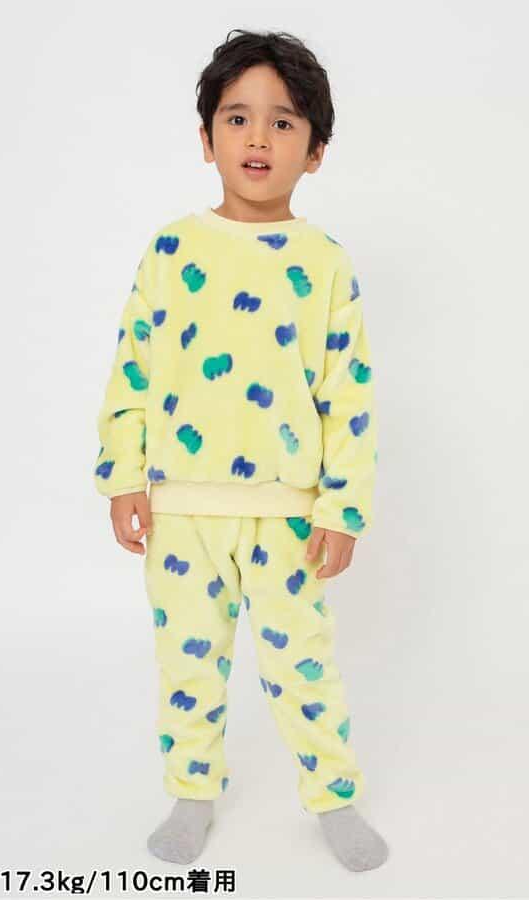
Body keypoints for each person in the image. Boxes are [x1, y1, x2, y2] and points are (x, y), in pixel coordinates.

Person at [92, 28, 389, 872]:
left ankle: (333, 795)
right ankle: (192, 793)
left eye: (284, 122)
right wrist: (122, 476)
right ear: (207, 138)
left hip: (287, 512)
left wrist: (343, 508)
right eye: (238, 117)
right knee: (188, 665)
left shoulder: (325, 263)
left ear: (315, 152)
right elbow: (134, 365)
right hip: (181, 508)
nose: (259, 137)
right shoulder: (172, 249)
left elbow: (349, 393)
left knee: (303, 668)